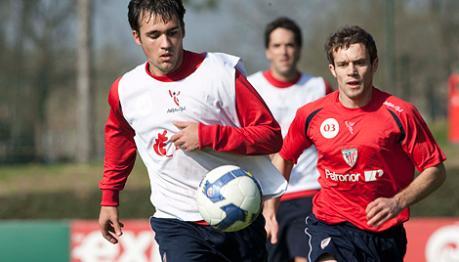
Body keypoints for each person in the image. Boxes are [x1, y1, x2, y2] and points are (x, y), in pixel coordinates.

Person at [97, 0, 287, 261]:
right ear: (137, 37)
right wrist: (109, 198)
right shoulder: (125, 90)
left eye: (172, 32)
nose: (165, 44)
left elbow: (271, 136)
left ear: (183, 30)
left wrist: (209, 136)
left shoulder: (221, 73)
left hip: (239, 218)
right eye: (154, 35)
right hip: (176, 222)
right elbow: (119, 142)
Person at [266, 25, 447, 262]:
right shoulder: (311, 114)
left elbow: (435, 170)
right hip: (330, 224)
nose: (351, 71)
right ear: (333, 69)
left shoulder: (401, 114)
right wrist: (270, 210)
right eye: (343, 64)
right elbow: (285, 157)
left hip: (384, 233)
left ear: (374, 65)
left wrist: (397, 202)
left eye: (359, 63)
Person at [248, 17, 332, 262]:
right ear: (267, 51)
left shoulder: (317, 87)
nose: (284, 51)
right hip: (263, 194)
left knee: (305, 258)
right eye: (277, 45)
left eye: (290, 45)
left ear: (299, 49)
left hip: (308, 191)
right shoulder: (251, 86)